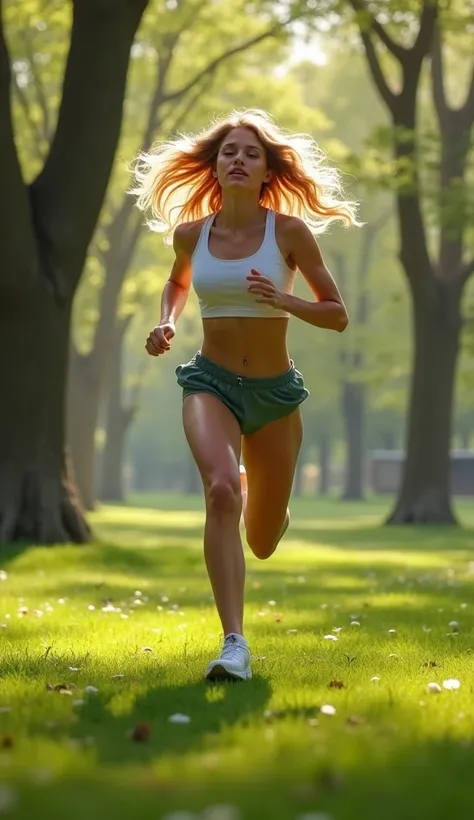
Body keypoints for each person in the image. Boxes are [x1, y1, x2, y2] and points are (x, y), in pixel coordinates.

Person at [131, 109, 359, 683]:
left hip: (275, 394)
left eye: (251, 153)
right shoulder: (192, 234)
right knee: (220, 491)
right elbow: (178, 281)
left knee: (260, 539)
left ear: (265, 171)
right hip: (211, 382)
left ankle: (265, 495)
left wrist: (284, 301)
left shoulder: (287, 233)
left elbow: (336, 315)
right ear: (215, 165)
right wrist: (166, 321)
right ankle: (234, 644)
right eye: (229, 150)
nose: (238, 158)